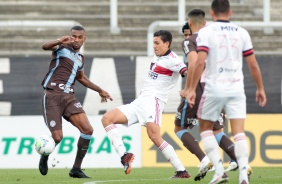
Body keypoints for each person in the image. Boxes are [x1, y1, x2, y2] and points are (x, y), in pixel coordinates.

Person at [187, 1, 267, 184]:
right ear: (230, 12)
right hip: (237, 88)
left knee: (206, 128)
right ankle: (243, 175)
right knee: (239, 132)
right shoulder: (242, 32)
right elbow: (253, 64)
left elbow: (199, 62)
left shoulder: (206, 32)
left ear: (212, 12)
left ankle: (219, 171)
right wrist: (260, 88)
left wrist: (191, 88)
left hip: (214, 87)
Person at [101, 30, 191, 178]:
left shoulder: (173, 59)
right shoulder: (158, 58)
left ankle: (182, 171)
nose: (154, 46)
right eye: (153, 42)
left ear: (167, 44)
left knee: (155, 137)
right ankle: (124, 155)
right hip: (140, 101)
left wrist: (189, 89)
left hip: (153, 101)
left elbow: (187, 71)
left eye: (157, 43)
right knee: (107, 118)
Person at [39, 25, 113, 178]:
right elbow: (44, 46)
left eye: (80, 37)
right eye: (74, 36)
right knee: (58, 137)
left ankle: (76, 169)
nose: (77, 40)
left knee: (87, 130)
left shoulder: (80, 58)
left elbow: (81, 78)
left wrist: (100, 90)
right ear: (70, 36)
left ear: (84, 39)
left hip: (68, 97)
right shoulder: (61, 47)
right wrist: (60, 40)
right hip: (52, 95)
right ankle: (45, 154)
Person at [175, 9, 238, 182]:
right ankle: (236, 166)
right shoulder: (217, 39)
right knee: (215, 130)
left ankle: (206, 162)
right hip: (221, 86)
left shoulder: (191, 41)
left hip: (201, 87)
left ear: (190, 23)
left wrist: (189, 89)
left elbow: (194, 62)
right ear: (205, 22)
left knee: (180, 128)